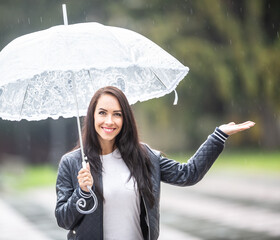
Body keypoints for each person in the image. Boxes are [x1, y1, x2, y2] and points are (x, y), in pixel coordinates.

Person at [55, 86, 255, 240]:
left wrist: (218, 135)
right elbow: (63, 219)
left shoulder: (143, 156)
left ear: (125, 119)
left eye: (117, 114)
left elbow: (188, 174)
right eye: (102, 113)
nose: (109, 121)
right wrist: (81, 192)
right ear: (91, 116)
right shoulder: (72, 163)